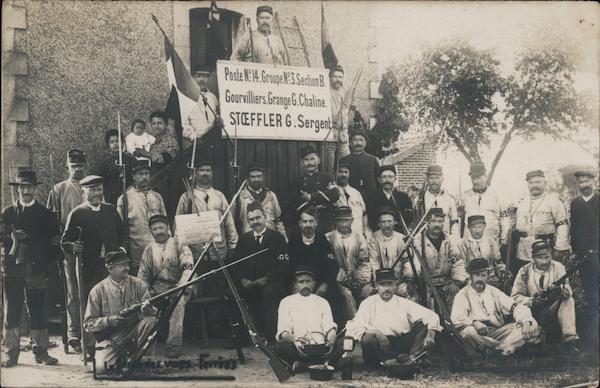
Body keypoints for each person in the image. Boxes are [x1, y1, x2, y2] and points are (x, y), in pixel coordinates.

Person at [61, 175, 128, 357]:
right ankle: (89, 347)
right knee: (90, 306)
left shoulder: (110, 210)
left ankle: (113, 344)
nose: (97, 193)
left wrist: (120, 248)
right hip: (89, 267)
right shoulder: (77, 213)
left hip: (110, 267)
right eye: (93, 190)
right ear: (84, 192)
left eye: (99, 189)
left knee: (112, 303)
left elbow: (123, 233)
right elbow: (65, 241)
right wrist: (72, 246)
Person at [2, 171, 60, 367]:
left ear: (35, 189)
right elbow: (1, 243)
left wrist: (43, 260)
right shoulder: (7, 213)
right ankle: (11, 352)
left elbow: (54, 243)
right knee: (12, 309)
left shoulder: (46, 215)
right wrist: (12, 243)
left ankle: (41, 351)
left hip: (37, 268)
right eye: (22, 187)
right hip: (13, 270)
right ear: (17, 189)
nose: (26, 191)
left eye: (30, 187)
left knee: (37, 309)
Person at [346, 269, 441, 367]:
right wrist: (376, 332)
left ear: (395, 285)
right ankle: (391, 363)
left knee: (424, 326)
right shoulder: (368, 303)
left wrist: (430, 335)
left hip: (401, 344)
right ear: (376, 286)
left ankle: (412, 359)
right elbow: (355, 325)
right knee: (368, 339)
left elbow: (431, 316)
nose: (386, 288)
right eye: (383, 285)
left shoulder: (403, 302)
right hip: (380, 346)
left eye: (390, 284)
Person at [84, 250, 156, 375]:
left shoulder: (139, 284)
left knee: (150, 320)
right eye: (122, 265)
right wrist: (109, 321)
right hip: (111, 338)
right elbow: (88, 324)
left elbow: (152, 313)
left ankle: (143, 358)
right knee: (102, 368)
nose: (127, 268)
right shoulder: (97, 290)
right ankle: (127, 360)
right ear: (110, 268)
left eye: (127, 264)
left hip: (135, 334)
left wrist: (148, 310)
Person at [451, 258, 541, 356]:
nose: (480, 279)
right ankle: (505, 348)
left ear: (488, 276)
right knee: (468, 332)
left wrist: (525, 321)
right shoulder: (462, 294)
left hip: (498, 332)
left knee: (532, 325)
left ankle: (499, 348)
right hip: (478, 335)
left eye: (483, 275)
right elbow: (456, 318)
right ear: (470, 276)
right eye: (477, 275)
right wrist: (474, 322)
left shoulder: (494, 291)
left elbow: (515, 307)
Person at [46, 149, 87, 352]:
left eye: (80, 166)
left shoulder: (91, 187)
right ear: (67, 167)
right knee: (73, 292)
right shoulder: (58, 189)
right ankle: (74, 333)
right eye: (73, 166)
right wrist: (57, 240)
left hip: (90, 245)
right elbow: (50, 221)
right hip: (68, 247)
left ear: (85, 166)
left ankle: (90, 332)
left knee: (91, 288)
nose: (77, 169)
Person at [230, 201, 290, 340]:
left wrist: (267, 278)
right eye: (251, 219)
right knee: (232, 293)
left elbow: (284, 265)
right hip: (249, 283)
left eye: (258, 218)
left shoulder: (277, 238)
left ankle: (271, 338)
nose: (255, 222)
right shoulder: (244, 239)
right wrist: (242, 279)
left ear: (264, 217)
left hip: (271, 282)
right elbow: (235, 263)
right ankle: (241, 338)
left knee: (269, 293)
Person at [137, 214, 193, 358]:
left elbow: (188, 268)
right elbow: (143, 274)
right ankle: (146, 345)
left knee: (177, 305)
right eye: (155, 229)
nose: (159, 231)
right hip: (157, 288)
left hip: (179, 287)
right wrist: (145, 290)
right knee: (144, 305)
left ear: (167, 228)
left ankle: (173, 347)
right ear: (151, 232)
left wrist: (181, 285)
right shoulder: (149, 249)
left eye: (161, 227)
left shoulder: (180, 244)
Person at [287, 206, 347, 328]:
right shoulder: (293, 241)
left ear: (316, 223)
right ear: (300, 224)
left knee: (336, 294)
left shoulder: (322, 240)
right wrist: (295, 285)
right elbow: (289, 267)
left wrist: (325, 284)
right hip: (299, 282)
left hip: (320, 282)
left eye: (311, 221)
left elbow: (332, 266)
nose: (308, 225)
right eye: (305, 221)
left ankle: (337, 329)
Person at [274, 266, 341, 373]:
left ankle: (304, 366)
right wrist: (295, 341)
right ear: (295, 285)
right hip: (299, 347)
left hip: (321, 347)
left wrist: (331, 340)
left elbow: (329, 325)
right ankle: (325, 364)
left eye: (308, 281)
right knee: (280, 347)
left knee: (344, 342)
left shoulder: (322, 302)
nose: (305, 285)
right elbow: (283, 331)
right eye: (301, 282)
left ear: (314, 283)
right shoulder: (286, 302)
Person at [511, 240, 579, 346]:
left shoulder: (558, 267)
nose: (544, 261)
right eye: (540, 258)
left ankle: (569, 338)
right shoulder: (524, 271)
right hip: (533, 312)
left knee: (568, 300)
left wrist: (559, 290)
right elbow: (515, 296)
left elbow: (568, 291)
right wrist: (532, 301)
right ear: (533, 258)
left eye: (547, 257)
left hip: (553, 309)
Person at [407, 208, 467, 311]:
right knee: (423, 305)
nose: (437, 224)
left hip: (446, 280)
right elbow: (415, 262)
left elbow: (457, 260)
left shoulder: (450, 240)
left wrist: (456, 281)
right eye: (434, 221)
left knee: (456, 298)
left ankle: (454, 324)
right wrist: (411, 279)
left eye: (440, 221)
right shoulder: (418, 240)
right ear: (427, 223)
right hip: (427, 282)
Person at [116, 159, 167, 275]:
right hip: (137, 252)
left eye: (147, 174)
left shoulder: (157, 197)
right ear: (133, 176)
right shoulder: (125, 199)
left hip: (159, 250)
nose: (145, 177)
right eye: (141, 174)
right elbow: (120, 229)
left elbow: (165, 222)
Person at [515, 170, 570, 268]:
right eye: (531, 183)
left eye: (538, 182)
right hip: (523, 250)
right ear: (528, 185)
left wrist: (560, 248)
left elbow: (563, 225)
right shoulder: (522, 202)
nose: (534, 185)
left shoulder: (553, 201)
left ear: (545, 184)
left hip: (544, 249)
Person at [569, 170, 599, 353]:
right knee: (591, 297)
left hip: (598, 252)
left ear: (593, 181)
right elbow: (575, 230)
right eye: (580, 182)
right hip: (585, 258)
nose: (584, 185)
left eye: (587, 181)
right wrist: (578, 251)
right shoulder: (575, 203)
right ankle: (593, 343)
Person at [326, 206, 372, 310]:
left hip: (357, 278)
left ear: (351, 220)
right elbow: (329, 264)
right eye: (340, 220)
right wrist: (343, 278)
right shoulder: (328, 238)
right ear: (335, 222)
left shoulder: (359, 237)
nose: (343, 224)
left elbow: (364, 262)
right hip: (337, 280)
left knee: (368, 292)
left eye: (346, 220)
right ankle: (352, 323)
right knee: (347, 296)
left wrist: (359, 279)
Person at [367, 207, 416, 300]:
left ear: (395, 222)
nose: (387, 225)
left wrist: (409, 279)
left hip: (398, 282)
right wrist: (377, 281)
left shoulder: (401, 238)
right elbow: (374, 262)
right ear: (379, 224)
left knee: (412, 297)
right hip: (380, 282)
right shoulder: (372, 239)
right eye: (383, 222)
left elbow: (407, 261)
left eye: (389, 221)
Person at [289, 145, 340, 233]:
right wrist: (322, 201)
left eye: (312, 159)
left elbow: (335, 194)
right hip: (306, 224)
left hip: (324, 223)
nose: (309, 163)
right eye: (306, 160)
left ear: (318, 160)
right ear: (302, 163)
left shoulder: (327, 178)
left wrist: (311, 197)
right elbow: (294, 204)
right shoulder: (296, 182)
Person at [462, 161, 510, 247]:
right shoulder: (465, 196)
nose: (476, 181)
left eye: (479, 177)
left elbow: (505, 220)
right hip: (470, 245)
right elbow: (460, 221)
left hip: (492, 244)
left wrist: (504, 241)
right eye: (473, 178)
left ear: (486, 177)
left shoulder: (498, 195)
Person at [232, 162, 285, 237]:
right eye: (253, 177)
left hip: (270, 240)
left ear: (263, 177)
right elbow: (231, 225)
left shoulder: (271, 196)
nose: (256, 179)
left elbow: (278, 221)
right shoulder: (239, 197)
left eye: (259, 176)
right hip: (249, 240)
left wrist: (284, 239)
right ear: (248, 178)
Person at [459, 215, 505, 289]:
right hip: (471, 279)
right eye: (473, 227)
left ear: (484, 226)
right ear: (469, 228)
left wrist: (502, 272)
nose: (477, 231)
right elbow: (461, 266)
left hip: (490, 279)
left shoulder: (491, 242)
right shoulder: (463, 244)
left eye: (480, 227)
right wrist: (468, 279)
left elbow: (498, 262)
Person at [413, 165, 460, 236]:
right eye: (431, 178)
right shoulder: (418, 200)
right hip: (425, 241)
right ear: (427, 179)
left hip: (445, 241)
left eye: (437, 178)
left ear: (442, 179)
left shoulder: (450, 200)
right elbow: (415, 224)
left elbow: (454, 223)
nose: (434, 181)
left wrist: (454, 239)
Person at [366, 165, 413, 235]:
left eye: (390, 177)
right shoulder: (372, 197)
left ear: (395, 179)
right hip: (379, 235)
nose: (387, 180)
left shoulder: (404, 197)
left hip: (399, 235)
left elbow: (408, 217)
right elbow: (371, 218)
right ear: (379, 179)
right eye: (384, 177)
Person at [182, 70, 220, 149]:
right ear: (192, 77)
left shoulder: (212, 97)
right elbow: (184, 122)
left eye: (205, 76)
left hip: (212, 141)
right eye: (198, 76)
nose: (202, 79)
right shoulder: (187, 96)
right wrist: (193, 136)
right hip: (194, 142)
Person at [339, 129, 380, 198]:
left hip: (371, 197)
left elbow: (378, 180)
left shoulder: (373, 160)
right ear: (350, 143)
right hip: (350, 197)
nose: (358, 143)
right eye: (355, 140)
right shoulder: (344, 160)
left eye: (361, 140)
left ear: (365, 142)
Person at [97, 129, 134, 205]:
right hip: (112, 199)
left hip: (131, 197)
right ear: (108, 145)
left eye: (117, 141)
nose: (115, 144)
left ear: (122, 142)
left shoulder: (131, 160)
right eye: (112, 142)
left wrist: (131, 189)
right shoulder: (106, 164)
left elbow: (137, 178)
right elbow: (102, 183)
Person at [333, 162, 369, 238]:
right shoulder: (331, 192)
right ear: (335, 173)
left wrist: (367, 234)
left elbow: (364, 215)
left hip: (358, 235)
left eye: (346, 172)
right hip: (339, 237)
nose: (343, 175)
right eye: (340, 172)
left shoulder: (356, 193)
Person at [324, 65, 349, 172]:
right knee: (330, 165)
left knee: (346, 163)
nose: (338, 79)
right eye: (335, 76)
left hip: (343, 134)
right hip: (330, 132)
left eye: (340, 77)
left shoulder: (344, 93)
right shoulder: (325, 91)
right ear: (330, 78)